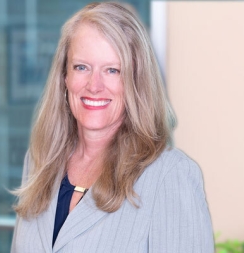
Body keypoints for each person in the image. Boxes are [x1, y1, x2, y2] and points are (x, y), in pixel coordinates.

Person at [11, 2, 214, 253]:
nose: (94, 85)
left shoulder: (170, 176)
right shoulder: (40, 161)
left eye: (112, 70)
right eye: (82, 67)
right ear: (64, 76)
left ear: (135, 82)